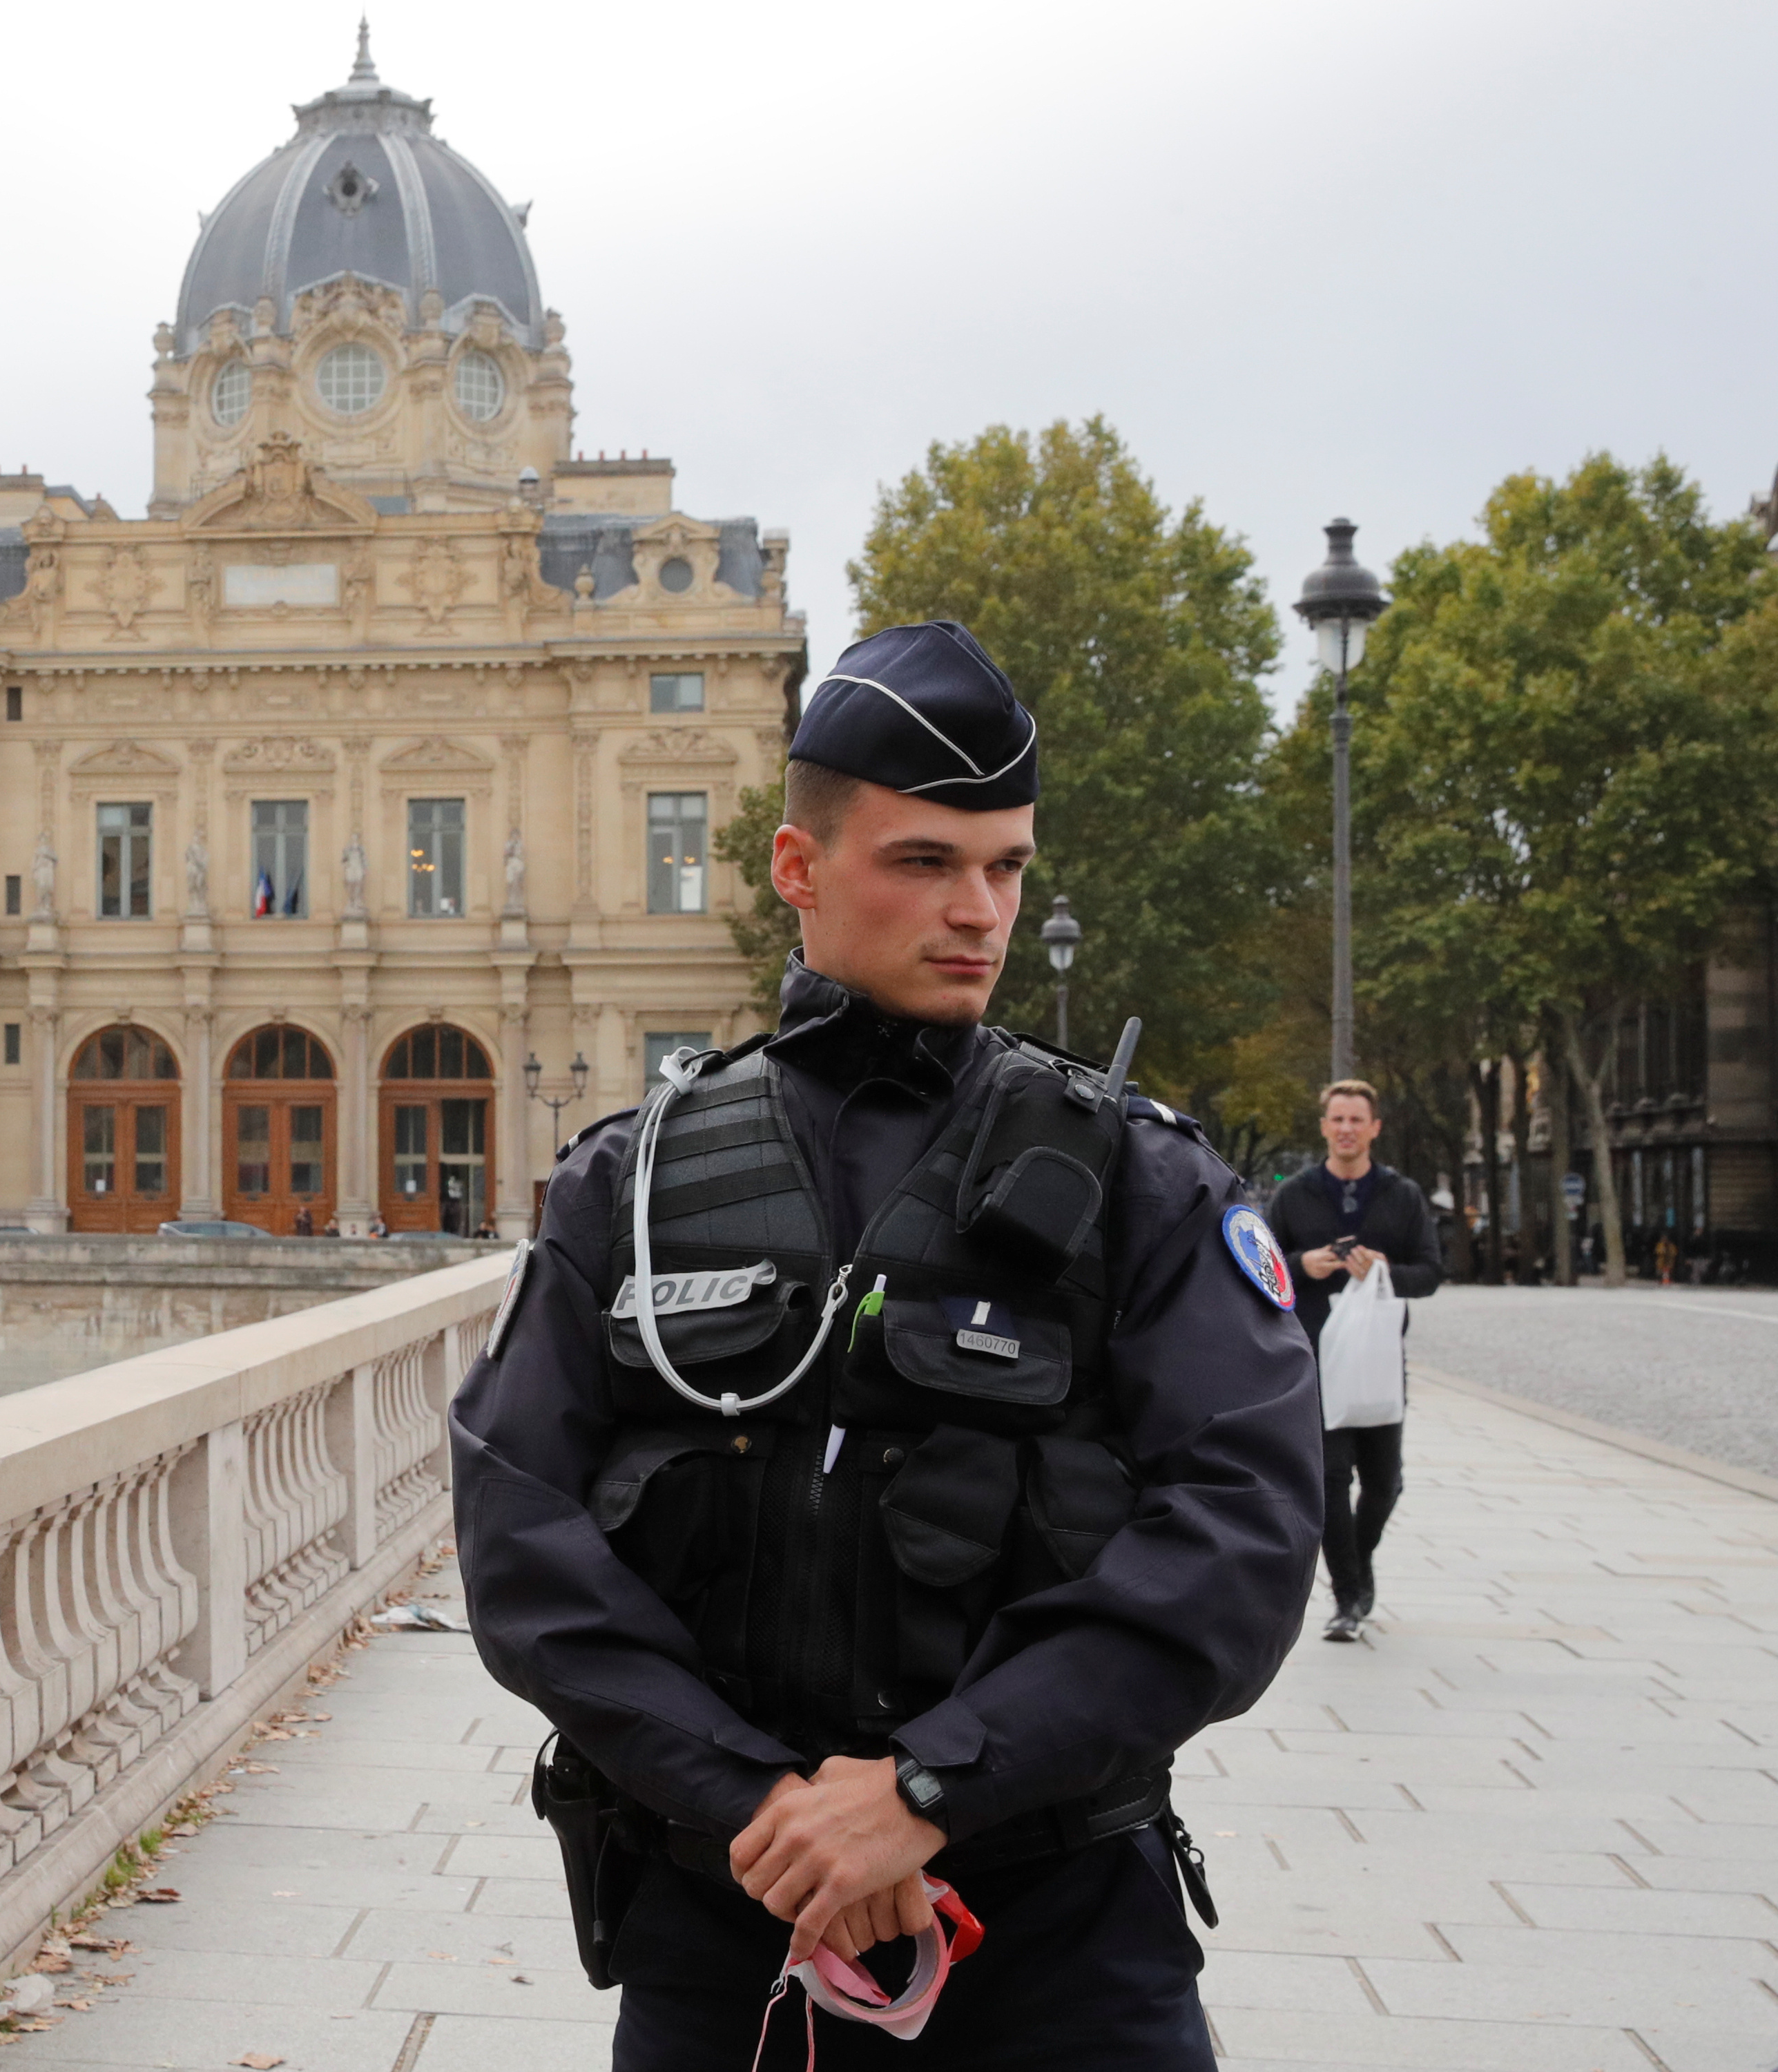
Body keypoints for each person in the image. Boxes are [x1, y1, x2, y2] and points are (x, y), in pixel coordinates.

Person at [451, 620, 1322, 2071]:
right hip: (728, 1932)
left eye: (1006, 867)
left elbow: (1240, 1534)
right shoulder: (635, 1184)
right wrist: (774, 1815)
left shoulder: (1140, 1181)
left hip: (1060, 1941)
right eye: (924, 862)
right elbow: (520, 1532)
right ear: (799, 870)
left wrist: (922, 1790)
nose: (977, 909)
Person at [1266, 1081, 1442, 1643]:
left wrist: (1385, 1270)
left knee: (1385, 1482)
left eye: (1356, 1120)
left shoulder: (1402, 1195)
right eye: (1337, 1119)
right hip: (1317, 1358)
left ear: (1374, 1129)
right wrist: (1303, 1264)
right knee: (1331, 1478)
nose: (1346, 1128)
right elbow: (1259, 1268)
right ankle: (1347, 1596)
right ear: (1324, 1127)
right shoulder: (1294, 1195)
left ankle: (1357, 1565)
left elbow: (1432, 1273)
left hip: (1381, 1356)